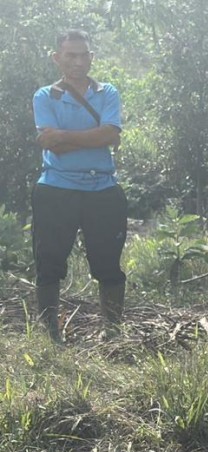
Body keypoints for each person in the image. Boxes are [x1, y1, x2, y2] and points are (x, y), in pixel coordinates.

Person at [31, 28, 127, 342]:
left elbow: (110, 135)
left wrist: (64, 137)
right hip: (56, 189)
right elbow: (52, 145)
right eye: (71, 55)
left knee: (108, 263)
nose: (78, 61)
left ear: (92, 57)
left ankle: (112, 333)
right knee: (50, 263)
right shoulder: (46, 95)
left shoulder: (108, 92)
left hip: (103, 190)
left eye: (84, 54)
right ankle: (51, 337)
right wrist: (94, 138)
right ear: (57, 58)